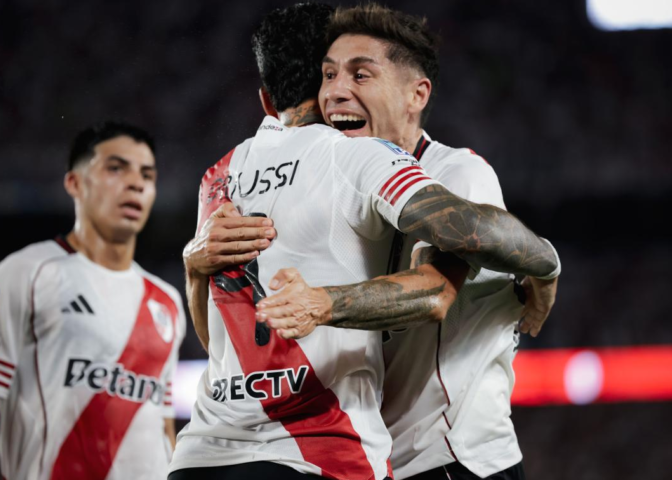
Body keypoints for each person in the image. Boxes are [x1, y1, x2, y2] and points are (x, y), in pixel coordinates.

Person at [172, 4, 557, 480]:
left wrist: (546, 263)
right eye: (328, 74)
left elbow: (436, 292)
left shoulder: (456, 173)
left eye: (360, 75)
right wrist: (196, 266)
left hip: (450, 458)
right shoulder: (330, 176)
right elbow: (226, 344)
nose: (336, 91)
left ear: (416, 94)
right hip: (378, 455)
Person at [0, 121, 186, 480]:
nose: (136, 182)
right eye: (116, 168)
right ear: (74, 183)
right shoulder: (28, 273)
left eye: (147, 175)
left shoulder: (167, 300)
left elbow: (162, 426)